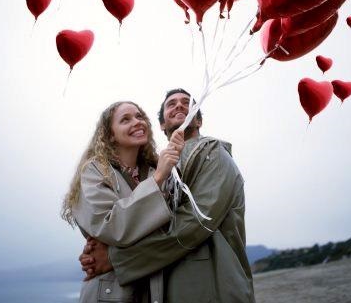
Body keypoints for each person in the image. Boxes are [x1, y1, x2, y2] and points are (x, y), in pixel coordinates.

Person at [80, 89, 256, 303]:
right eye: (171, 104)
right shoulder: (161, 172)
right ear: (162, 125)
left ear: (198, 120)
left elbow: (196, 222)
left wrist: (115, 259)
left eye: (187, 103)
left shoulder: (214, 155)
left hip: (214, 287)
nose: (180, 105)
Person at [61, 100, 184, 302]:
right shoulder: (95, 171)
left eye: (139, 116)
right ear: (110, 134)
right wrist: (158, 179)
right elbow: (112, 226)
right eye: (125, 120)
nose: (137, 122)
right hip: (110, 291)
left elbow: (173, 230)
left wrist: (112, 254)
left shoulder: (157, 169)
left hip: (156, 288)